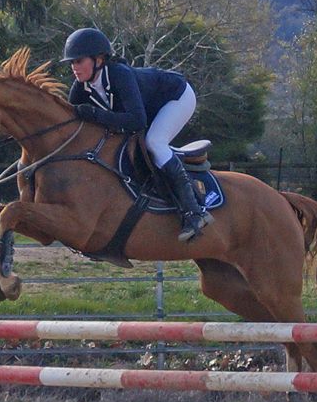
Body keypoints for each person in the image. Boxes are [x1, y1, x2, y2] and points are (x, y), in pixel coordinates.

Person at [61, 27, 214, 242]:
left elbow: (136, 121)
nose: (74, 67)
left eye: (79, 61)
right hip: (149, 108)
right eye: (72, 62)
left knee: (155, 142)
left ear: (98, 59)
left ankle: (195, 212)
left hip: (177, 96)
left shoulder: (119, 75)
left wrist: (96, 114)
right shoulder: (80, 89)